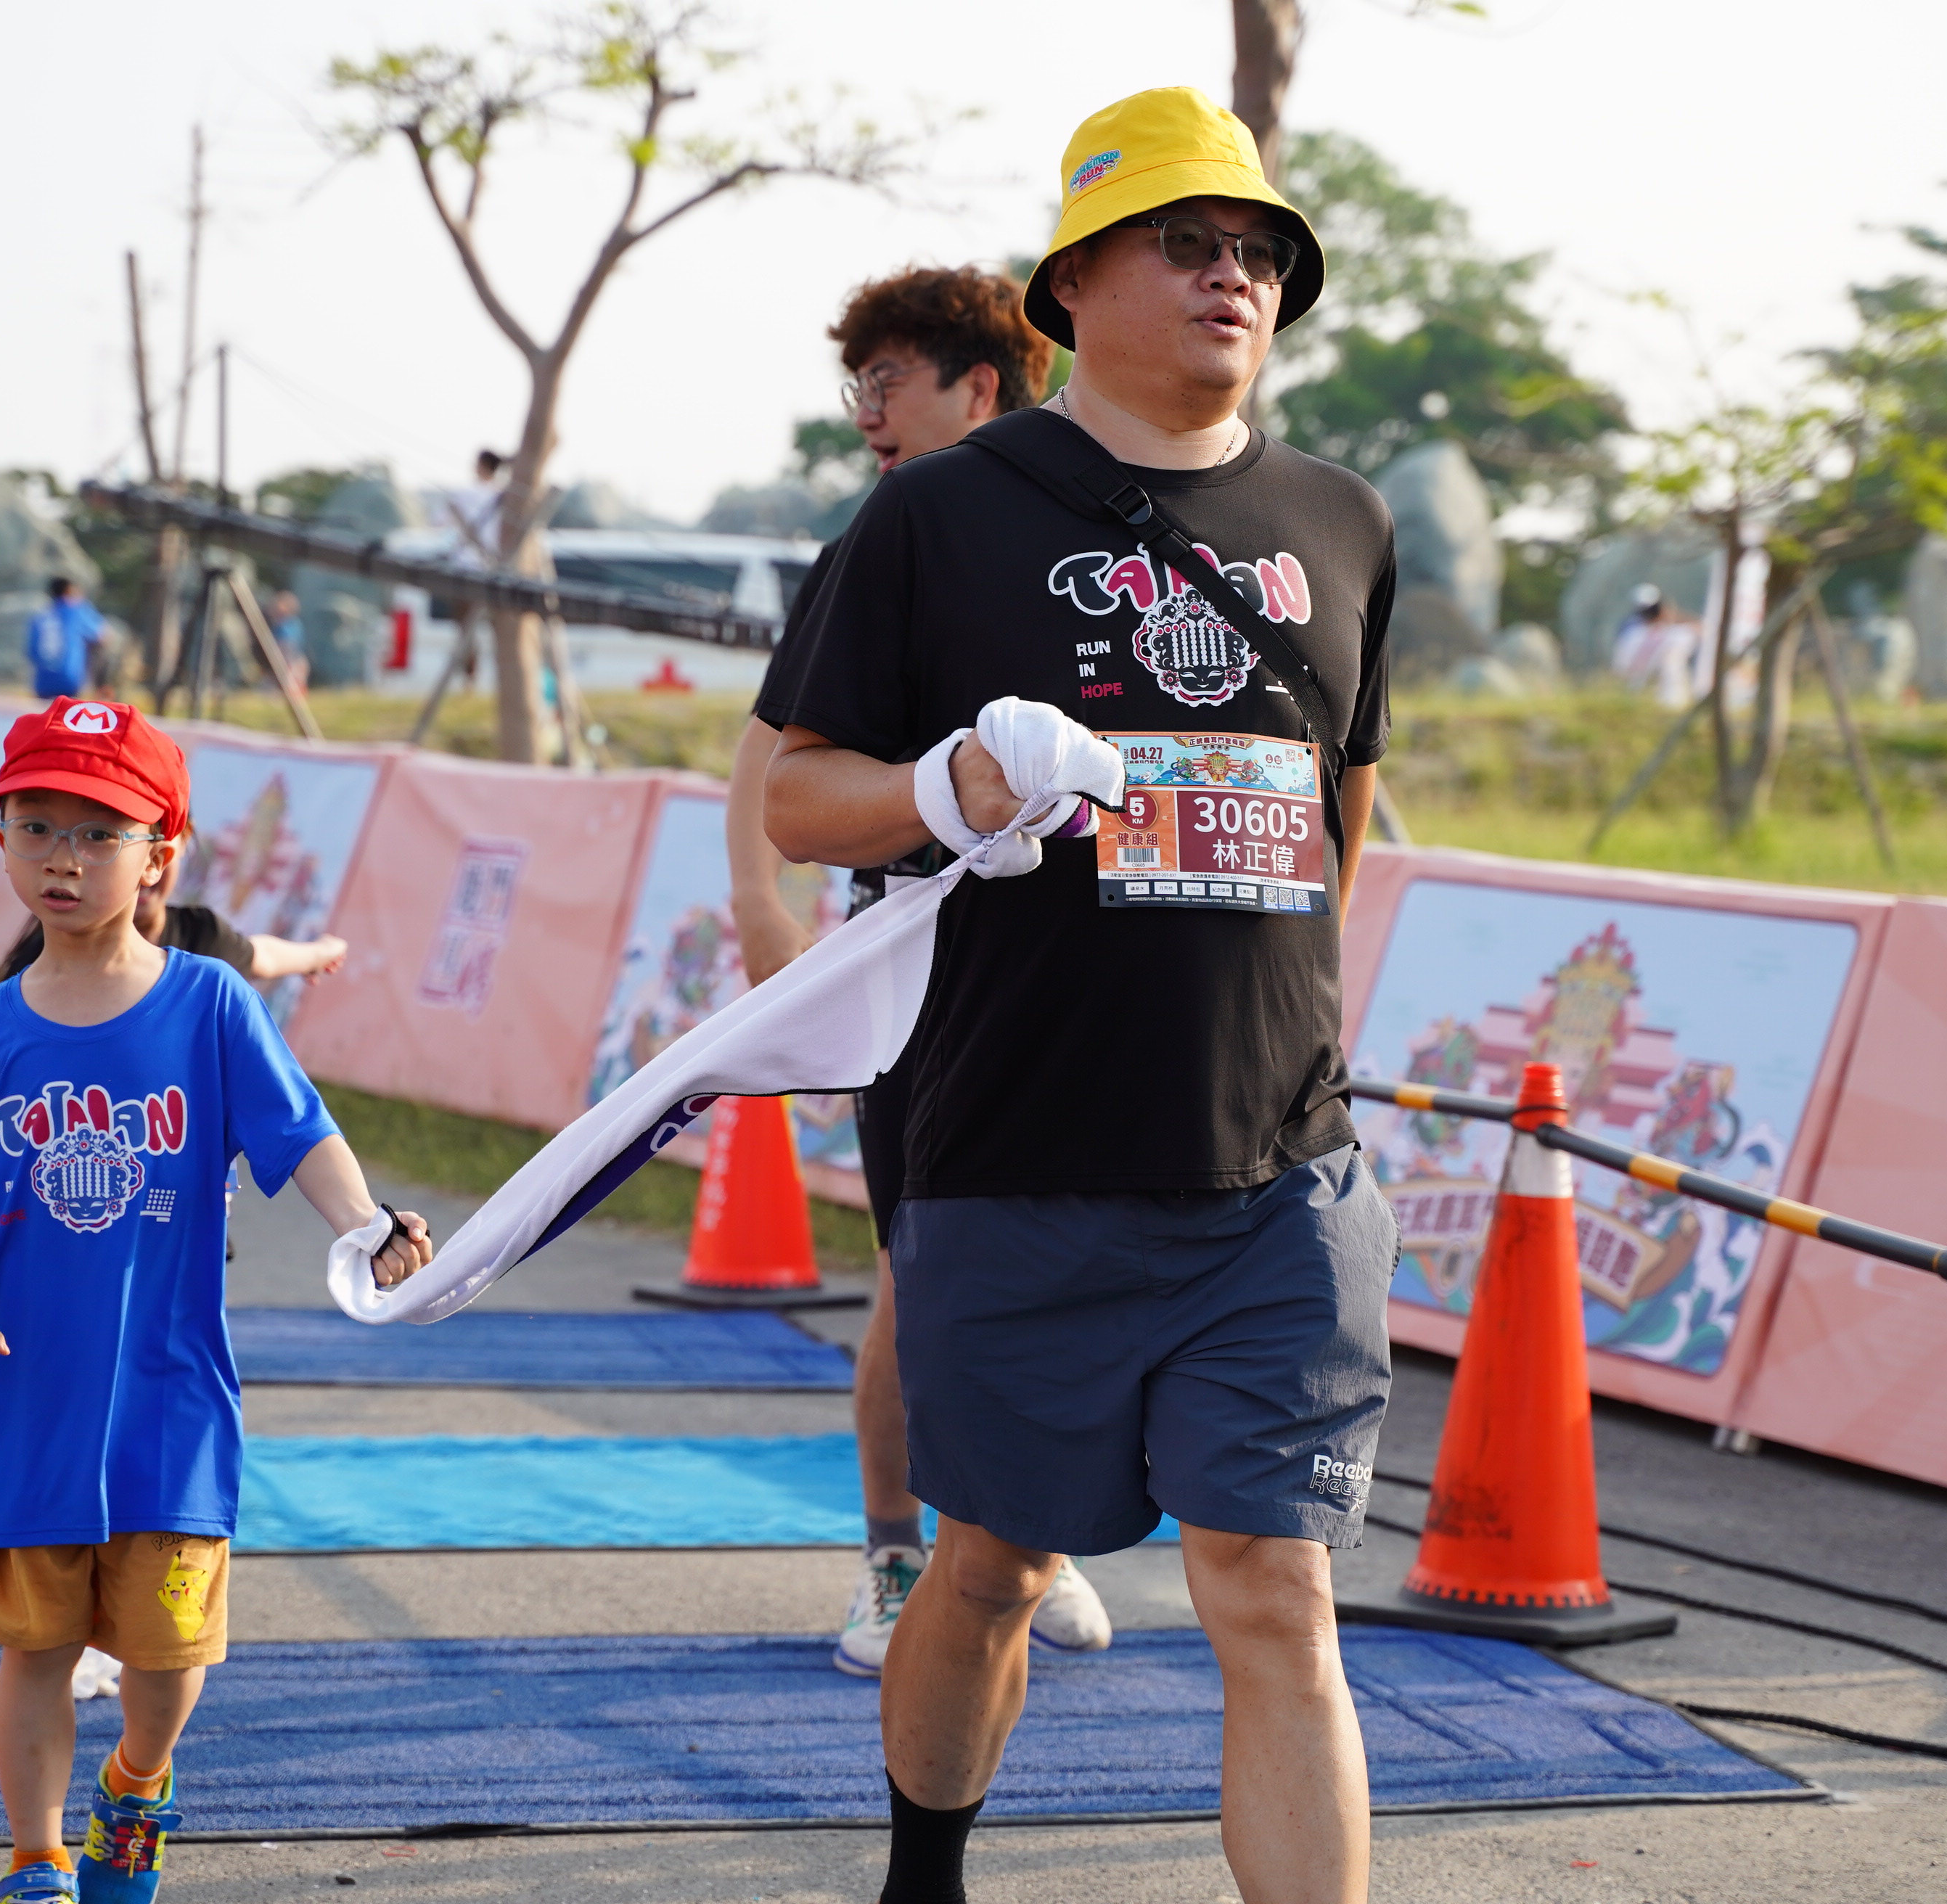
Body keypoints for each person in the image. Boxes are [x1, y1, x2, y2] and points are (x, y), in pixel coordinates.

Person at [762, 88, 1394, 1904]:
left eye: (1259, 250)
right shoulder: (936, 518)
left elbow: (1333, 827)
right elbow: (800, 793)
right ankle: (925, 1873)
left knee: (1276, 1588)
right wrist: (946, 780)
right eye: (1188, 242)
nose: (1232, 274)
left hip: (1277, 1175)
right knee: (992, 1565)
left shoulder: (1342, 524)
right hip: (1013, 1158)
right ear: (1073, 285)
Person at [0, 696, 430, 1900]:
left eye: (99, 832)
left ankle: (134, 1781)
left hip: (173, 1403)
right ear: (3, 843)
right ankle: (36, 1860)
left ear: (158, 857)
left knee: (171, 1653)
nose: (64, 856)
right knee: (37, 1646)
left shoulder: (211, 1005)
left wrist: (369, 1222)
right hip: (27, 1399)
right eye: (38, 826)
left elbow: (303, 1134)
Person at [726, 265, 1112, 1681]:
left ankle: (1018, 1531)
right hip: (921, 971)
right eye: (861, 382)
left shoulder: (1107, 532)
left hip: (1083, 975)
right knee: (919, 1271)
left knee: (1069, 1267)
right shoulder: (882, 537)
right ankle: (898, 1553)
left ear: (980, 386)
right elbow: (773, 749)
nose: (865, 413)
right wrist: (760, 902)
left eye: (888, 381)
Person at [0, 835, 348, 985]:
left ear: (173, 850)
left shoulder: (203, 943)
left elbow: (263, 956)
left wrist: (320, 953)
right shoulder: (37, 967)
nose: (143, 870)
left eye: (157, 853)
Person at [29, 576, 104, 702]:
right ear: (69, 591)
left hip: (42, 682)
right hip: (69, 680)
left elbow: (32, 651)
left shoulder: (41, 615)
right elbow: (102, 635)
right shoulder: (77, 612)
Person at [268, 588, 309, 694]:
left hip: (292, 658)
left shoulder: (290, 625)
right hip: (288, 658)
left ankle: (297, 693)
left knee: (292, 678)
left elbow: (288, 645)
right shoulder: (280, 625)